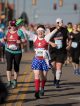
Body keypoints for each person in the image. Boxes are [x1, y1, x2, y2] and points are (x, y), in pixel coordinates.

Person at [23, 24, 58, 99]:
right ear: (37, 32)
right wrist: (23, 29)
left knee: (44, 78)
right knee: (36, 74)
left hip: (45, 60)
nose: (40, 32)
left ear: (44, 32)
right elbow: (29, 33)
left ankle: (42, 88)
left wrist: (57, 28)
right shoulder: (35, 38)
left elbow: (52, 33)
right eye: (39, 31)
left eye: (42, 31)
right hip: (37, 59)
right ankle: (36, 91)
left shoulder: (46, 38)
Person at [3, 20, 25, 89]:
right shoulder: (7, 32)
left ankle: (15, 81)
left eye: (14, 25)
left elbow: (24, 41)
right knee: (9, 66)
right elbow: (5, 39)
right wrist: (4, 39)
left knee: (16, 66)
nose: (13, 27)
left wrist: (20, 41)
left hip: (17, 52)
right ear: (10, 25)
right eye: (12, 25)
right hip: (8, 51)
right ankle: (9, 81)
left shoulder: (19, 32)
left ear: (16, 26)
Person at [49, 18, 70, 88]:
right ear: (56, 23)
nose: (59, 24)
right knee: (53, 66)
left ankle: (57, 82)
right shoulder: (51, 29)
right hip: (53, 51)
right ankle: (55, 77)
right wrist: (51, 43)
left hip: (62, 51)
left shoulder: (65, 30)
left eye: (61, 22)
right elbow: (45, 38)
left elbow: (70, 38)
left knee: (59, 67)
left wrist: (69, 45)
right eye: (58, 23)